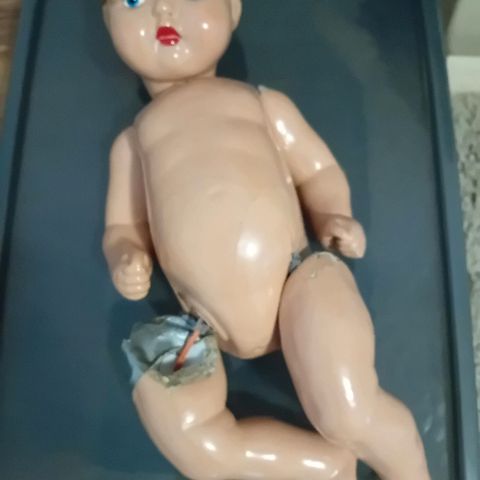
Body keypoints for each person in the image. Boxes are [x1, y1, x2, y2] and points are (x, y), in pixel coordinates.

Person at [101, 1, 431, 478]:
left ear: (232, 9)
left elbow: (317, 169)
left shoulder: (257, 102)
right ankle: (323, 468)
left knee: (346, 408)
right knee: (188, 437)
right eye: (132, 0)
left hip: (299, 281)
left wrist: (334, 215)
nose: (162, 8)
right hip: (201, 324)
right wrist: (126, 256)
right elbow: (123, 226)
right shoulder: (133, 142)